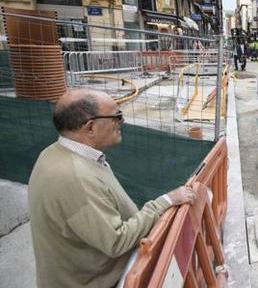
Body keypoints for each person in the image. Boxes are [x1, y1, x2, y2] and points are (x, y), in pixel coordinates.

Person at [28, 89, 197, 288]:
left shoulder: (56, 153)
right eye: (117, 116)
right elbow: (117, 241)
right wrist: (165, 202)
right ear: (90, 128)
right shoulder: (74, 177)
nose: (122, 121)